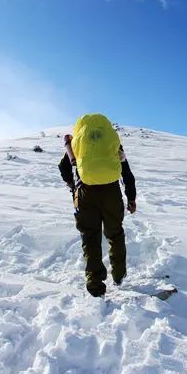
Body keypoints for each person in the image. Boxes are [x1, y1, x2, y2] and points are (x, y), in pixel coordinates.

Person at [58, 114, 136, 297]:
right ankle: (118, 275)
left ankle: (95, 285)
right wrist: (131, 198)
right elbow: (126, 173)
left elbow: (63, 167)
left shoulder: (77, 142)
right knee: (115, 233)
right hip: (112, 193)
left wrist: (72, 185)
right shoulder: (112, 142)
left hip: (85, 193)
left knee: (90, 237)